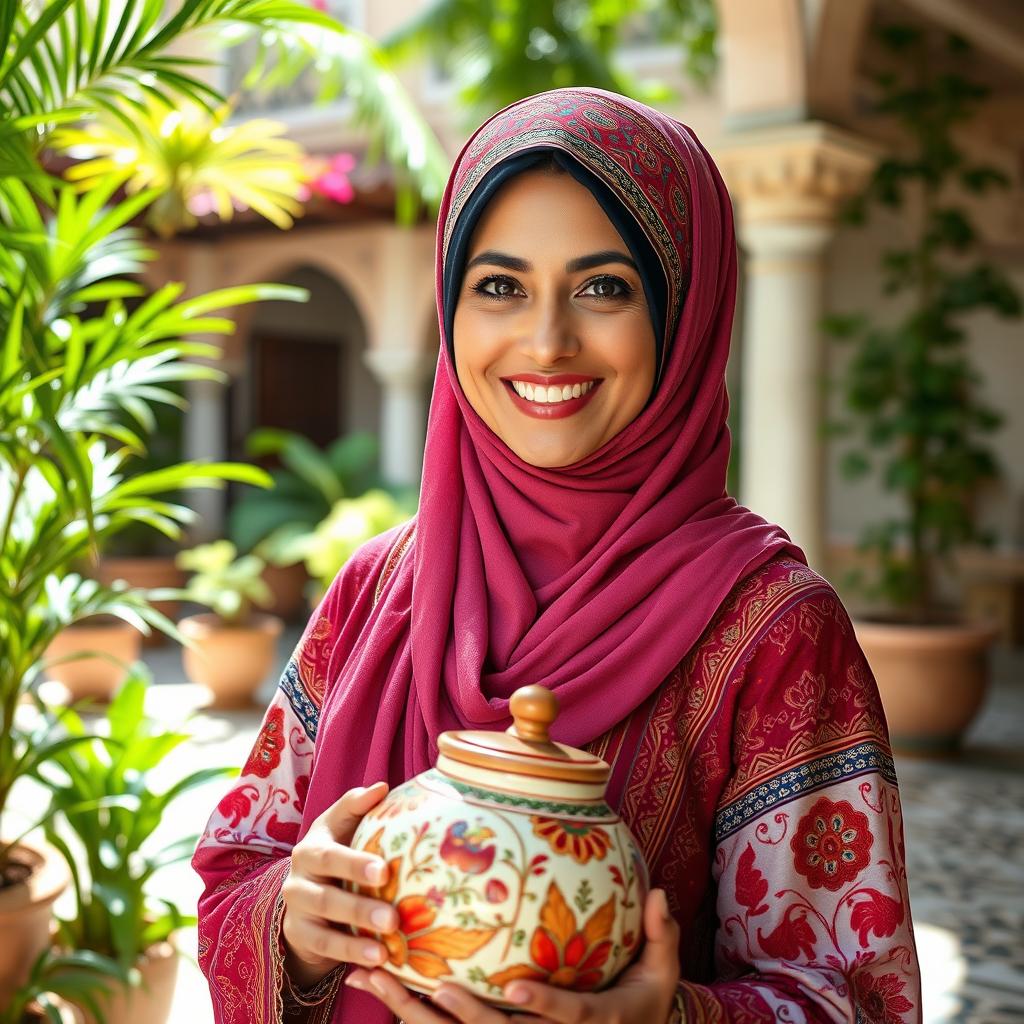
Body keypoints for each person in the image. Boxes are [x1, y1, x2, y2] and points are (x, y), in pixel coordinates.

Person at [193, 87, 921, 1024]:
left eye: (604, 288)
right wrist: (296, 926)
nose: (545, 341)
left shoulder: (771, 630)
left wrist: (668, 1018)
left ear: (683, 316)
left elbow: (855, 996)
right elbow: (238, 869)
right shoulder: (378, 589)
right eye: (499, 286)